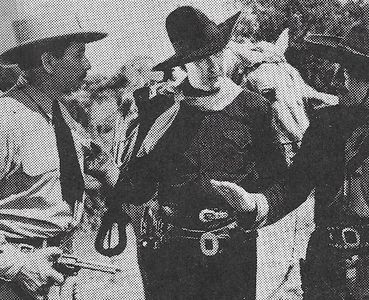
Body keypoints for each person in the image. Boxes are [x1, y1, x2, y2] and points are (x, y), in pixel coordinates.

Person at [88, 6, 286, 300]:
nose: (212, 66)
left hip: (233, 253)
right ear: (183, 64)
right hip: (170, 258)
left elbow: (279, 181)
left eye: (217, 54)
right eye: (200, 60)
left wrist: (252, 207)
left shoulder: (254, 109)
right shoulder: (161, 109)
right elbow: (136, 184)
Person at [211, 4, 369, 299]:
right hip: (325, 267)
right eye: (337, 67)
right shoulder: (326, 126)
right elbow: (293, 185)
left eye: (347, 71)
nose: (336, 78)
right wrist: (255, 204)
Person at [0, 14, 109, 300]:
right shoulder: (8, 119)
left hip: (59, 271)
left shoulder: (61, 115)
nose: (87, 65)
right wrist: (17, 265)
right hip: (15, 279)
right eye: (79, 54)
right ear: (48, 62)